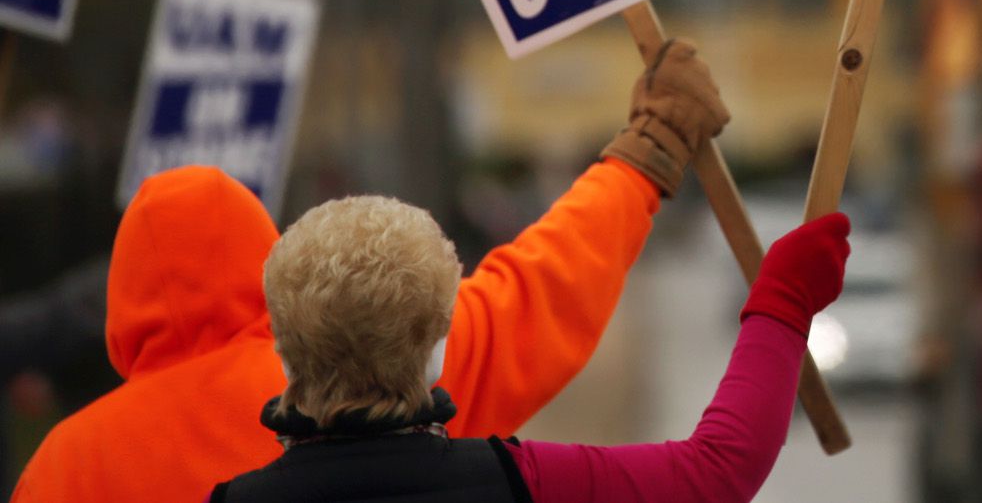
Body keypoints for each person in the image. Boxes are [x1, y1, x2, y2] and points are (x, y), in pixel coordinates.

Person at [11, 40, 729, 503]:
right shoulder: (361, 376)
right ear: (268, 262)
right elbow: (540, 286)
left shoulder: (66, 465)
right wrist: (650, 148)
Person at [211, 196, 850, 503]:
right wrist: (781, 305)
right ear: (438, 346)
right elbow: (718, 471)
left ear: (287, 351)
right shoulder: (519, 480)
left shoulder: (229, 502)